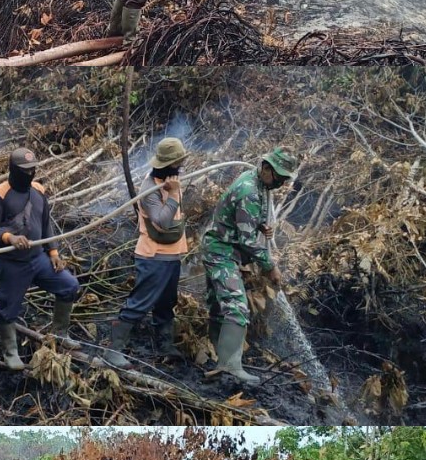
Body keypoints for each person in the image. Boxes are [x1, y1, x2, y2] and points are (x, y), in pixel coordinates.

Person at [200, 147, 297, 386]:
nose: (281, 183)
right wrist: (270, 266)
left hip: (225, 249)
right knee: (237, 307)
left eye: (285, 180)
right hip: (221, 251)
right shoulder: (250, 191)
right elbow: (247, 240)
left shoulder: (260, 185)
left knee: (218, 304)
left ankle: (217, 355)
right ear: (266, 168)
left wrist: (262, 227)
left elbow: (249, 222)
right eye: (279, 178)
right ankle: (230, 366)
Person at [0, 147, 80, 370]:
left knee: (69, 286)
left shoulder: (38, 190)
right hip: (12, 264)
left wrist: (53, 253)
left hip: (39, 259)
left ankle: (59, 334)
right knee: (8, 308)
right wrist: (9, 237)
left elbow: (46, 223)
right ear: (13, 169)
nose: (30, 174)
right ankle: (10, 352)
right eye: (24, 170)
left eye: (32, 169)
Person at [104, 137, 188, 367]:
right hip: (153, 257)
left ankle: (166, 347)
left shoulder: (172, 182)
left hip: (172, 256)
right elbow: (161, 221)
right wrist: (171, 195)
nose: (180, 167)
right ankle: (114, 350)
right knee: (140, 302)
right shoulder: (150, 189)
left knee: (166, 303)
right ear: (167, 164)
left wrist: (173, 191)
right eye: (177, 163)